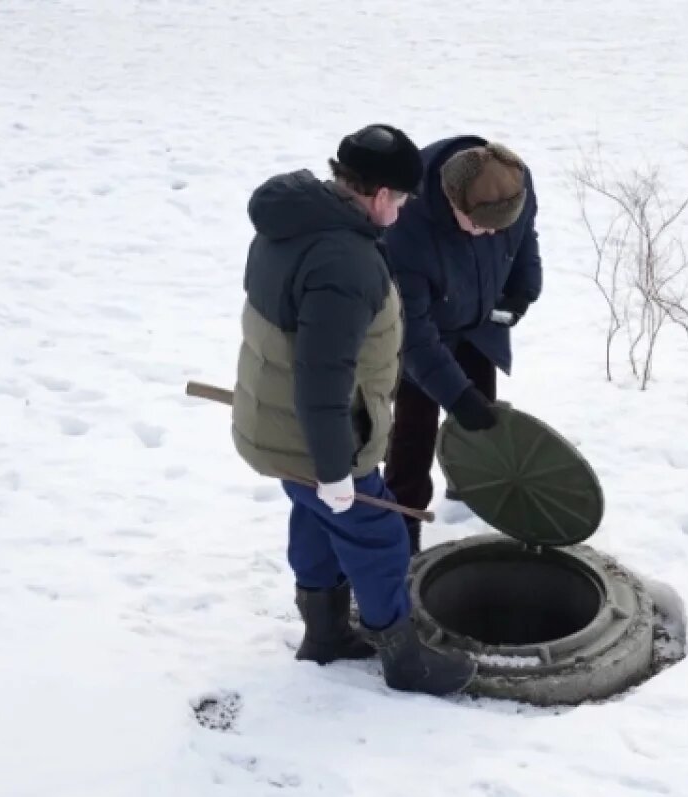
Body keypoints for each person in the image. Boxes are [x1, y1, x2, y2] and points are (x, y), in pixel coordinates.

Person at [230, 124, 476, 696]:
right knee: (378, 534)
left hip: (275, 425)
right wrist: (337, 469)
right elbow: (322, 376)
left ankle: (325, 633)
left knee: (316, 516)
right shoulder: (344, 261)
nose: (406, 210)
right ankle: (404, 659)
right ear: (382, 195)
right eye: (405, 199)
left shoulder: (292, 220)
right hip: (318, 434)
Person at [382, 136, 543, 552]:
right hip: (426, 331)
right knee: (413, 436)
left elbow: (524, 236)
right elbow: (413, 333)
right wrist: (455, 395)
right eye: (480, 225)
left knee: (481, 413)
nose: (489, 233)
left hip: (478, 321)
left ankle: (471, 486)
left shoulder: (514, 184)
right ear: (453, 202)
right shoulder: (407, 224)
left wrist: (523, 288)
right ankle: (404, 527)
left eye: (496, 227)